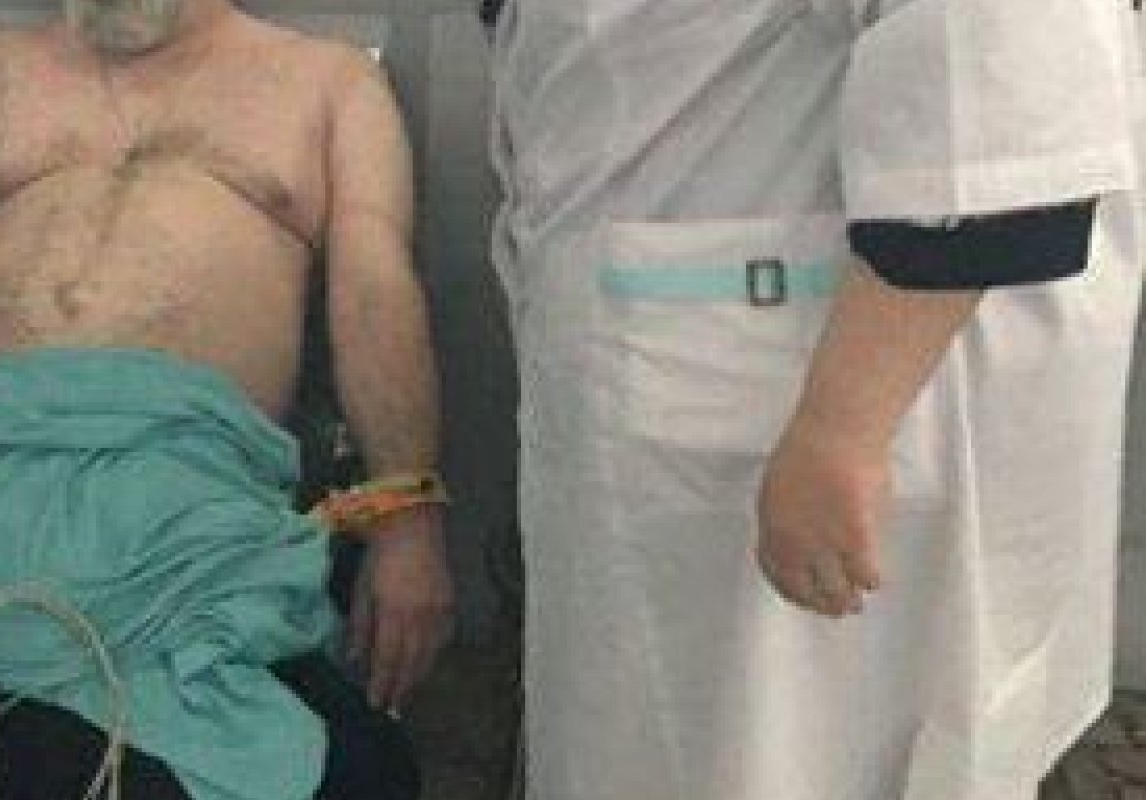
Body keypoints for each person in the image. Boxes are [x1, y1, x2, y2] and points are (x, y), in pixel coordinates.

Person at [0, 0, 455, 798]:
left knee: (343, 768)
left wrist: (408, 522)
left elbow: (375, 296)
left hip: (182, 511)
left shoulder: (329, 85)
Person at [486, 1, 1145, 799]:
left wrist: (843, 430)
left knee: (801, 753)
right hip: (684, 370)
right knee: (667, 746)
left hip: (826, 400)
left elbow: (1001, 95)